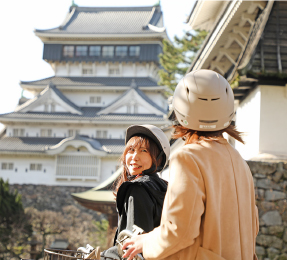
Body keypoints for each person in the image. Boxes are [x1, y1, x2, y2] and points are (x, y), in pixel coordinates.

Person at [122, 70, 259, 260]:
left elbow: (179, 231)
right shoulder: (239, 162)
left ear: (180, 112)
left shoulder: (188, 158)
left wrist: (145, 241)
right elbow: (253, 228)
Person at [101, 124, 170, 259]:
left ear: (158, 158)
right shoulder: (165, 187)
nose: (134, 157)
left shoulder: (137, 189)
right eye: (131, 150)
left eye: (143, 150)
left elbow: (133, 246)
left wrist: (103, 256)